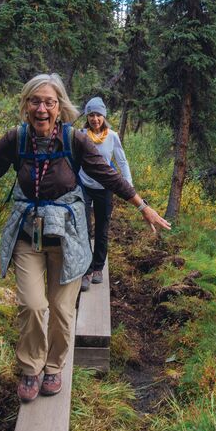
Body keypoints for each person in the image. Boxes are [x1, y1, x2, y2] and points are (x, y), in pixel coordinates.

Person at [0, 74, 170, 403]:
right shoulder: (15, 140)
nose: (41, 108)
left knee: (60, 309)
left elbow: (108, 174)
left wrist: (142, 207)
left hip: (69, 236)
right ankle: (31, 368)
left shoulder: (75, 141)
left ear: (60, 108)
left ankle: (55, 366)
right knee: (32, 305)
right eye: (35, 101)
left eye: (49, 102)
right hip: (29, 234)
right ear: (25, 105)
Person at [77, 97, 131, 292]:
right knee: (83, 228)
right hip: (83, 185)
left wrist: (128, 185)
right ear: (87, 117)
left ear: (104, 116)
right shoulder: (80, 134)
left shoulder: (112, 136)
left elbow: (122, 161)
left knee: (102, 228)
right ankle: (86, 270)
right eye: (91, 115)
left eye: (98, 115)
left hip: (105, 187)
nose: (95, 119)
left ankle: (98, 268)